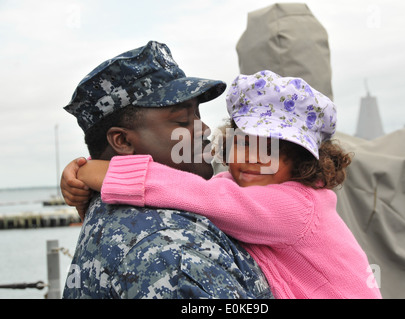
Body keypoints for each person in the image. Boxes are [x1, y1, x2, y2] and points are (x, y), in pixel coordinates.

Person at [66, 70, 382, 299]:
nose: (251, 159)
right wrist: (85, 183)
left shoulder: (296, 205)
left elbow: (201, 194)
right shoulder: (246, 187)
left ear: (302, 162)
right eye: (243, 143)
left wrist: (104, 173)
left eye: (272, 150)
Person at [60, 41, 273, 299]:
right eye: (182, 120)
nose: (204, 129)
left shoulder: (143, 213)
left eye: (198, 114)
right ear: (123, 141)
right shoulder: (168, 251)